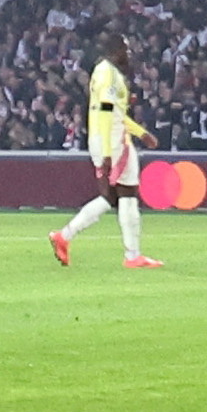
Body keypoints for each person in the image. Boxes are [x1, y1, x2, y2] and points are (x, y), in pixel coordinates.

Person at [49, 32, 162, 270]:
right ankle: (132, 256)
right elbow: (106, 114)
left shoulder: (105, 72)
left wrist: (141, 133)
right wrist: (109, 152)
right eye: (126, 49)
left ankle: (65, 236)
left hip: (111, 138)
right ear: (115, 50)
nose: (128, 54)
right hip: (112, 140)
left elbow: (115, 114)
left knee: (114, 197)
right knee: (126, 193)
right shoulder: (107, 74)